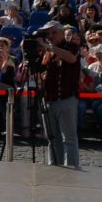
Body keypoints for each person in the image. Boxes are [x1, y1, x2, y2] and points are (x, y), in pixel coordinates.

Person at [35, 21, 83, 169]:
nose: (50, 36)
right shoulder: (47, 52)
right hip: (49, 99)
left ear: (62, 32)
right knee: (52, 138)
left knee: (68, 138)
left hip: (66, 98)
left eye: (53, 32)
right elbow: (41, 70)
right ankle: (54, 167)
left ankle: (72, 168)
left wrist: (50, 47)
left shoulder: (71, 46)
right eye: (47, 33)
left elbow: (71, 58)